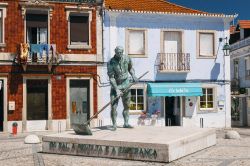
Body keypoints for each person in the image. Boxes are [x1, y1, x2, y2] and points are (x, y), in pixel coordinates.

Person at [107, 46, 137, 131]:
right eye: (118, 53)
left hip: (126, 85)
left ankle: (126, 123)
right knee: (113, 107)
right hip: (115, 86)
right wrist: (116, 89)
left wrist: (133, 75)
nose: (119, 54)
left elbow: (130, 68)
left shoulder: (127, 58)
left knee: (127, 106)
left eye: (121, 52)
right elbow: (111, 78)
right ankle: (114, 125)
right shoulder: (111, 62)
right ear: (115, 52)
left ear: (122, 52)